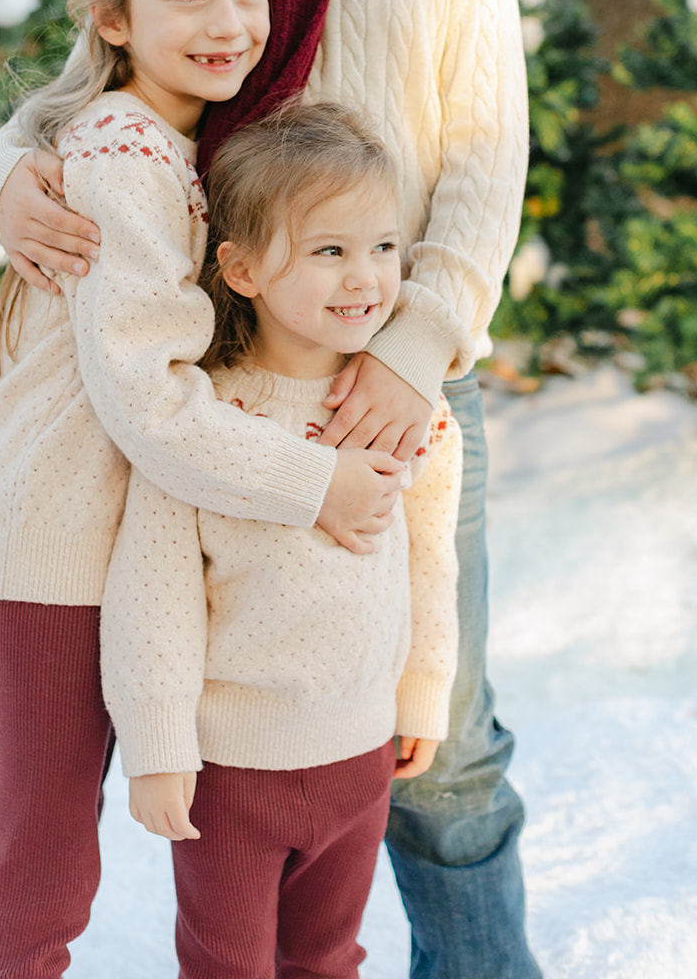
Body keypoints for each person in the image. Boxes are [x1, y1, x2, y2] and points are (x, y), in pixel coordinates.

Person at [0, 0, 539, 979]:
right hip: (222, 403)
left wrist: (411, 353)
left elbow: (477, 172)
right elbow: (92, 86)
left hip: (385, 386)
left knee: (430, 742)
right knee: (238, 735)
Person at [0, 0, 403, 979]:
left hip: (115, 527)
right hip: (57, 540)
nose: (227, 21)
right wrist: (317, 483)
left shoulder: (169, 140)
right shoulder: (123, 152)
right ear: (112, 13)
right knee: (47, 865)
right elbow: (150, 397)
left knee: (54, 861)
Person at [101, 99, 462, 979]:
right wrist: (156, 750)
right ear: (244, 269)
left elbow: (428, 561)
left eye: (382, 248)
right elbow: (153, 599)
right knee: (226, 966)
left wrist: (421, 694)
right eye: (329, 251)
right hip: (233, 772)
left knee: (328, 958)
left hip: (358, 758)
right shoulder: (203, 419)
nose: (366, 278)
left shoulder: (407, 410)